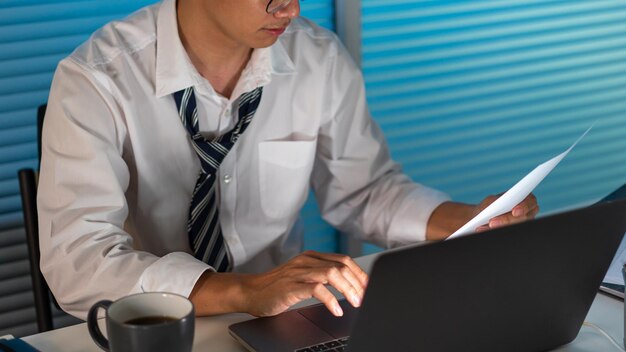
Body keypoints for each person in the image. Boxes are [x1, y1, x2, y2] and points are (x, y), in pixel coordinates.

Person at [38, 0, 538, 320]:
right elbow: (80, 264)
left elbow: (365, 191)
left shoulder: (319, 57)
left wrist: (470, 220)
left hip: (286, 321)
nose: (291, 7)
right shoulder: (94, 80)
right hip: (153, 328)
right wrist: (242, 292)